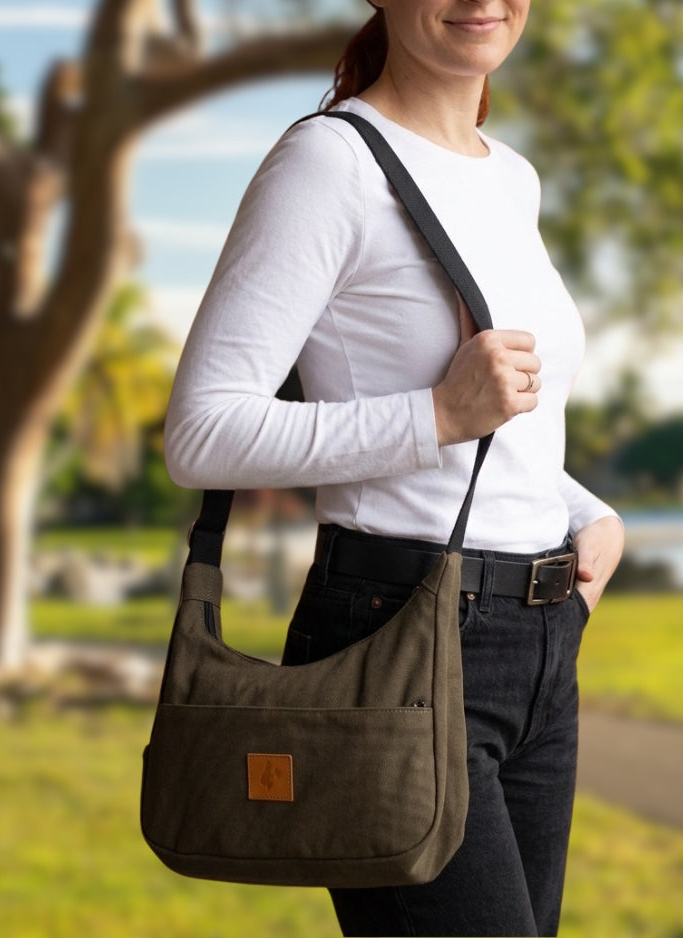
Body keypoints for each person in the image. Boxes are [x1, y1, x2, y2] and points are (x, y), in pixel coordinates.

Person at [164, 1, 624, 934]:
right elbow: (203, 433)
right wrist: (438, 415)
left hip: (537, 644)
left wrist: (586, 515)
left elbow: (509, 421)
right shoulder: (328, 164)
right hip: (395, 637)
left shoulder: (514, 179)